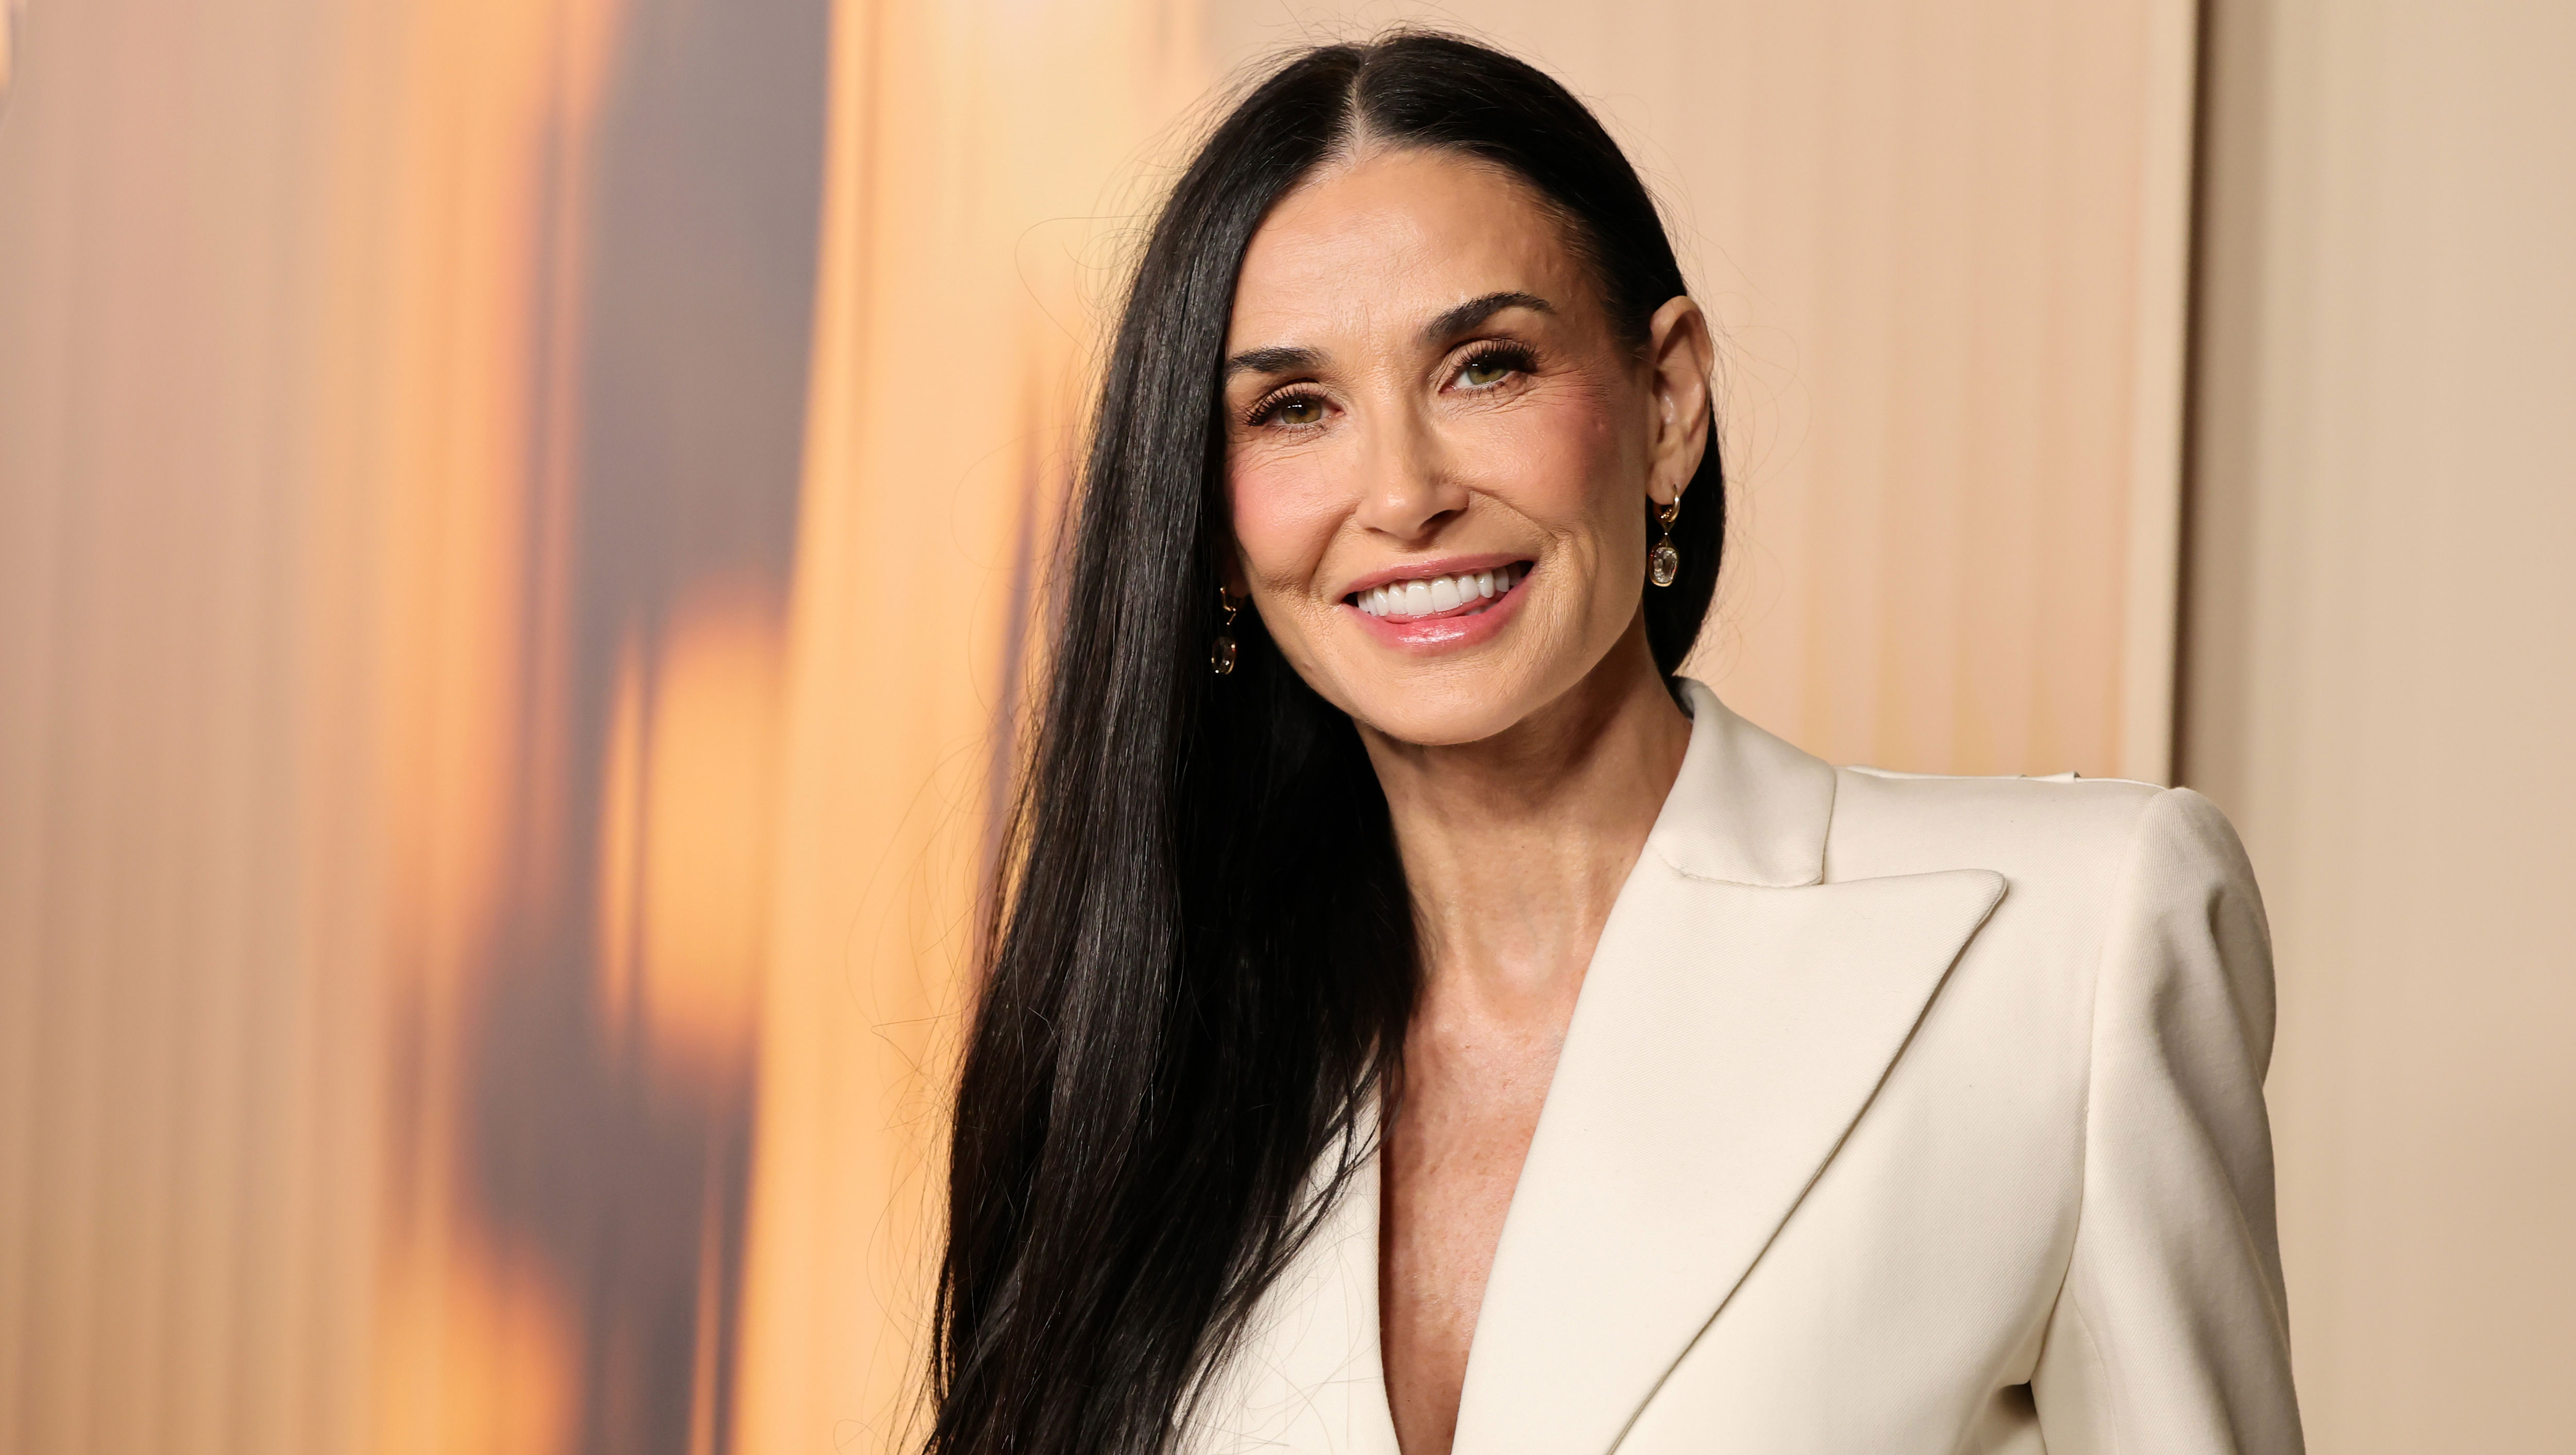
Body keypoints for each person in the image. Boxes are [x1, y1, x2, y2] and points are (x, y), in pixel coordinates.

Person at [928, 30, 2301, 1455]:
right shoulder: (1144, 1060)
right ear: (1214, 522)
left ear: (1667, 403)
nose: (1401, 494)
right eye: (1295, 407)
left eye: (1486, 367)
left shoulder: (2076, 938)